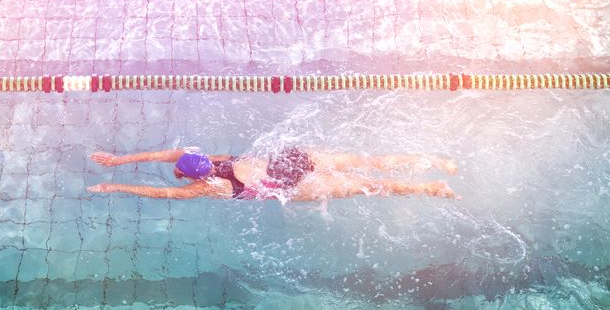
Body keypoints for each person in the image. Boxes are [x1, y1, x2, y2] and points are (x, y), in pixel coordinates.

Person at [87, 147, 460, 201]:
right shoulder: (213, 159)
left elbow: (162, 194)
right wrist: (117, 160)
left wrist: (114, 182)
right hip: (291, 159)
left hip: (285, 185)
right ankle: (435, 162)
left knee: (368, 187)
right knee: (367, 161)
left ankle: (432, 187)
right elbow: (162, 153)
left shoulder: (208, 187)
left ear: (185, 175)